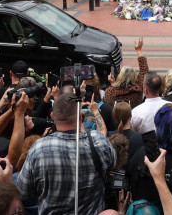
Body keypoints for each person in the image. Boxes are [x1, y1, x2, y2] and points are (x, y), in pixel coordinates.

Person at [14, 85, 115, 215]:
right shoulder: (98, 141)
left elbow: (23, 190)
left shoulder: (38, 148)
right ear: (81, 116)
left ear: (52, 116)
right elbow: (113, 163)